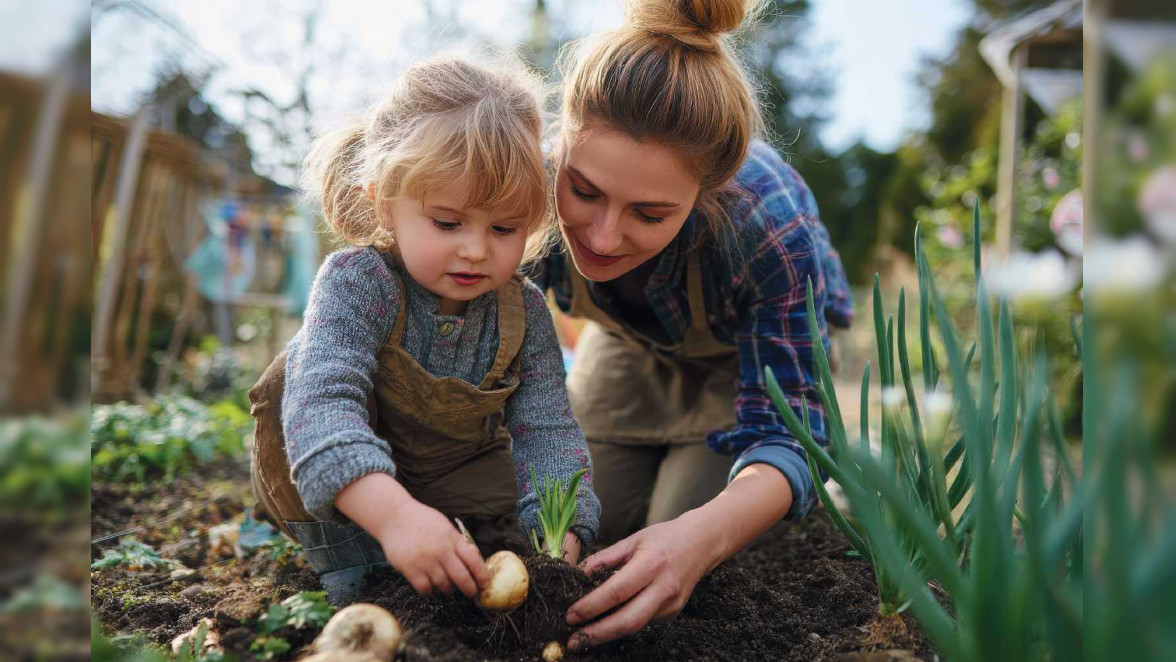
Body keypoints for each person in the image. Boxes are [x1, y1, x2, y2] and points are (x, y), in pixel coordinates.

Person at [525, 0, 854, 649]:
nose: (603, 235)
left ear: (707, 192)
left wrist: (702, 538)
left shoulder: (767, 227)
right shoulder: (522, 183)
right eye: (585, 191)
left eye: (649, 213)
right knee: (584, 531)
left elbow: (793, 438)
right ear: (562, 139)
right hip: (628, 344)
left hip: (742, 362)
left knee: (674, 551)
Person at [249, 55, 601, 604]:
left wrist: (564, 533)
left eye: (503, 228)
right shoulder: (358, 281)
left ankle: (464, 543)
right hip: (348, 483)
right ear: (385, 203)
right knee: (287, 382)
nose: (475, 249)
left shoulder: (525, 311)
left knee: (512, 535)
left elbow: (547, 428)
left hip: (450, 473)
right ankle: (350, 563)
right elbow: (321, 404)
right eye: (447, 222)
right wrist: (393, 516)